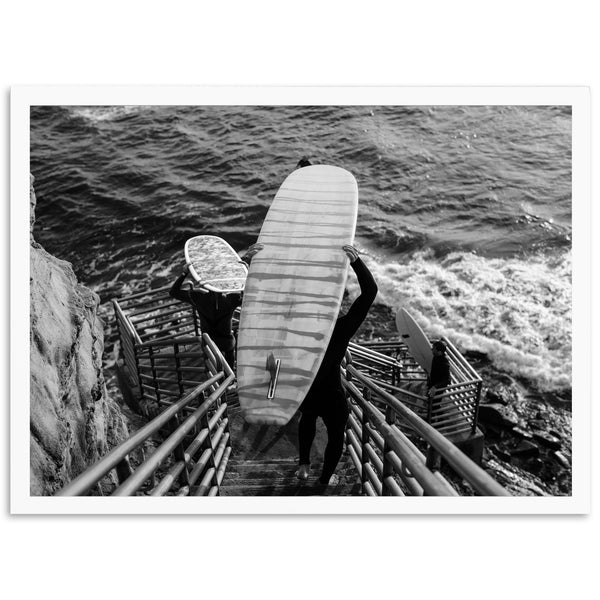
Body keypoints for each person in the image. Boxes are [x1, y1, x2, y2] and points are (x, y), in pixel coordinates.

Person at [297, 245, 378, 487]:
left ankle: (303, 466)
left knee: (307, 419)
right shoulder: (340, 329)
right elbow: (370, 291)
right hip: (332, 394)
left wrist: (251, 265)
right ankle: (324, 480)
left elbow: (265, 304)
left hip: (307, 390)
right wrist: (356, 262)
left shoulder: (299, 328)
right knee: (335, 437)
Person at [169, 243, 263, 369]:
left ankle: (216, 382)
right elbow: (251, 293)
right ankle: (229, 381)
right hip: (227, 342)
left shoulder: (198, 298)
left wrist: (184, 273)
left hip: (209, 343)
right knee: (229, 366)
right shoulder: (231, 299)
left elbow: (173, 292)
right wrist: (246, 273)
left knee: (212, 366)